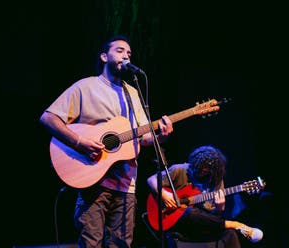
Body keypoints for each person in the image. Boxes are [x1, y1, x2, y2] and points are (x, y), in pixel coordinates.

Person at [39, 34, 174, 247]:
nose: (126, 56)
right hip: (93, 179)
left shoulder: (133, 93)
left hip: (126, 185)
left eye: (129, 53)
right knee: (91, 242)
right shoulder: (86, 87)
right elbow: (48, 118)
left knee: (122, 244)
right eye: (120, 50)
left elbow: (144, 137)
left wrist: (160, 136)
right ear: (104, 56)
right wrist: (79, 142)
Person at [146, 145, 263, 247]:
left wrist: (219, 208)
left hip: (201, 224)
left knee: (230, 234)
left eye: (207, 168)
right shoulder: (180, 170)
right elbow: (151, 180)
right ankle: (235, 224)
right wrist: (163, 193)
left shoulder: (216, 181)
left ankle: (232, 226)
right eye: (200, 166)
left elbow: (213, 217)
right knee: (189, 212)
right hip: (177, 222)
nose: (202, 170)